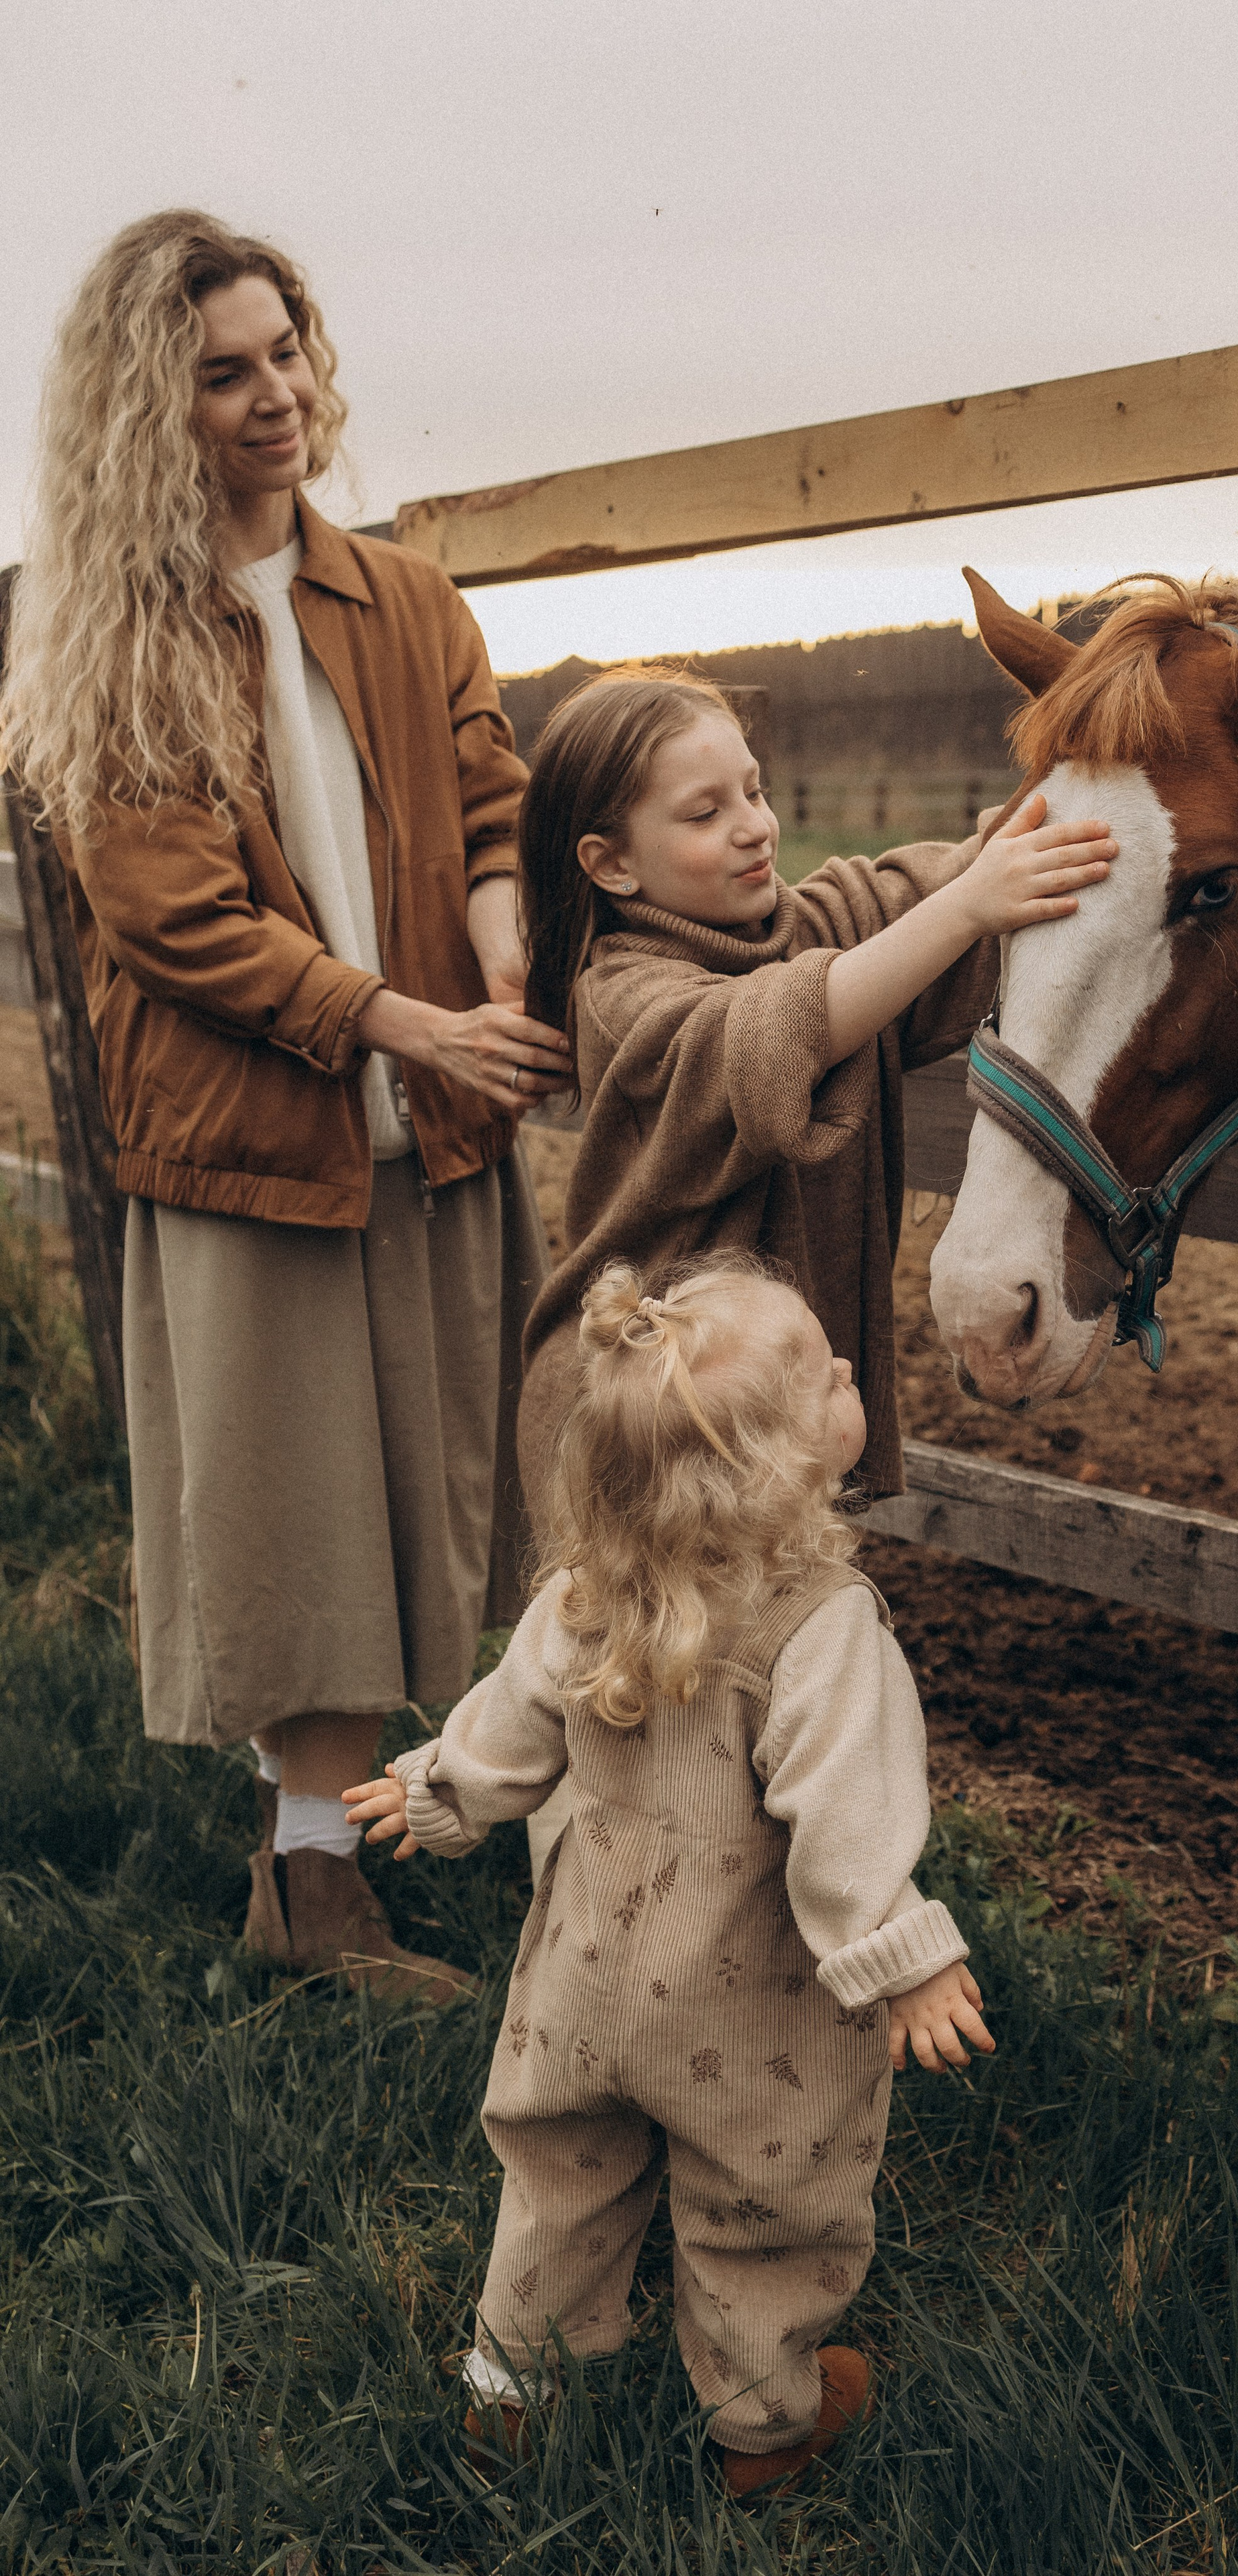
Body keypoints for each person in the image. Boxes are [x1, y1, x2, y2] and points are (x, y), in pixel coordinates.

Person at [0, 209, 571, 1999]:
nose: (275, 400)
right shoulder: (110, 638)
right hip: (258, 1155)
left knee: (469, 1508)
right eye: (224, 374)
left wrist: (500, 975)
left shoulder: (402, 596)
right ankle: (320, 1901)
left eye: (287, 355)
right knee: (308, 1547)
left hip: (435, 1124)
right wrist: (406, 1027)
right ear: (142, 415)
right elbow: (179, 921)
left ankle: (457, 1846)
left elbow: (492, 801)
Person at [343, 1255, 996, 2495]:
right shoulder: (825, 1628)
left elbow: (514, 1722)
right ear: (770, 1467)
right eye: (824, 1372)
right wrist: (906, 1959)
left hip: (584, 1977)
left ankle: (511, 2393)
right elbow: (845, 1815)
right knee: (763, 2208)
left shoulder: (587, 1595)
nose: (850, 1368)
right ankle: (763, 2431)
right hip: (748, 2012)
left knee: (559, 2179)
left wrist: (437, 1786)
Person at [510, 670, 1113, 1872]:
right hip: (648, 1423)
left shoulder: (806, 916)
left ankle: (757, 1947)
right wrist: (961, 910)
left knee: (760, 1680)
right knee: (630, 1712)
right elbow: (776, 1028)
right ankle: (590, 1945)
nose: (755, 824)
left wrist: (1039, 830)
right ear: (610, 864)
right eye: (704, 811)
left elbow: (915, 884)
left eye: (757, 788)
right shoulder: (625, 994)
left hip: (757, 1410)